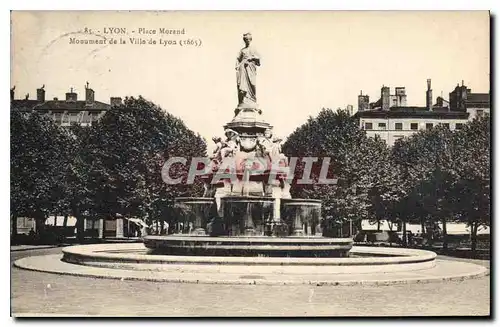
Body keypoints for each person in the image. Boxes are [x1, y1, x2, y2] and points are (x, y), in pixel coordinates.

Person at [236, 33, 260, 109]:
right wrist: (238, 66)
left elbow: (258, 59)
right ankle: (244, 100)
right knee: (242, 86)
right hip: (243, 70)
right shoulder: (242, 50)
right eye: (246, 40)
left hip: (250, 69)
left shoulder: (253, 49)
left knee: (252, 83)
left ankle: (252, 99)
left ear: (251, 40)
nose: (247, 41)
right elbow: (238, 59)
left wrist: (251, 58)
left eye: (248, 39)